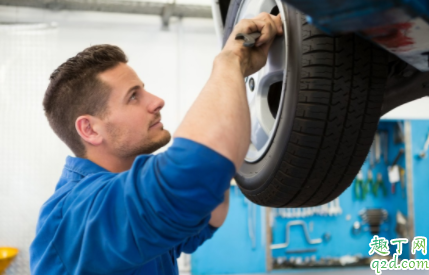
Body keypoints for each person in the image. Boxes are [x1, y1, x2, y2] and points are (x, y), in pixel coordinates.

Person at [30, 12, 283, 275]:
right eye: (133, 97)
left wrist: (237, 82)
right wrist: (230, 60)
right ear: (90, 129)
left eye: (143, 89)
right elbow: (194, 173)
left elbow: (210, 213)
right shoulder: (78, 214)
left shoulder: (126, 204)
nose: (157, 100)